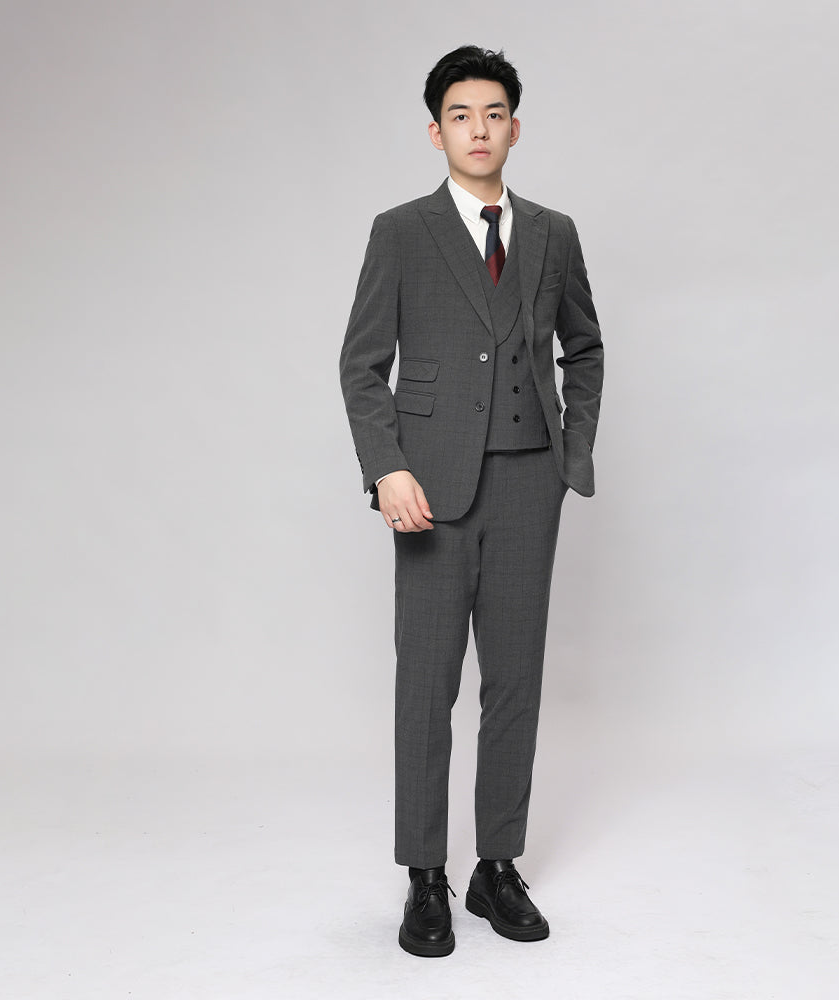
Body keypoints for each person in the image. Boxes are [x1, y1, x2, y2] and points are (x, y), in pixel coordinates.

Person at [339, 45, 603, 957]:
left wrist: (572, 453)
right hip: (432, 489)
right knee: (427, 685)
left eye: (493, 114)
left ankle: (497, 866)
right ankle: (425, 876)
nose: (478, 129)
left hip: (530, 481)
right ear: (436, 132)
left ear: (514, 128)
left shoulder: (554, 232)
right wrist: (387, 469)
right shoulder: (401, 232)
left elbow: (585, 347)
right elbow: (361, 365)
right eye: (461, 115)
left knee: (515, 681)